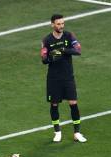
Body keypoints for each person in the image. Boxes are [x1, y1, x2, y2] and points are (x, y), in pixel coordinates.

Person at [41, 13, 87, 143]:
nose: (61, 26)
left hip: (68, 77)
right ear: (52, 25)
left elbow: (78, 50)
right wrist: (54, 54)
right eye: (58, 24)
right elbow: (44, 60)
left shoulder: (69, 35)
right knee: (54, 104)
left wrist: (63, 50)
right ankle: (57, 131)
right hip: (54, 78)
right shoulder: (47, 40)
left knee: (73, 103)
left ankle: (77, 132)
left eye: (62, 23)